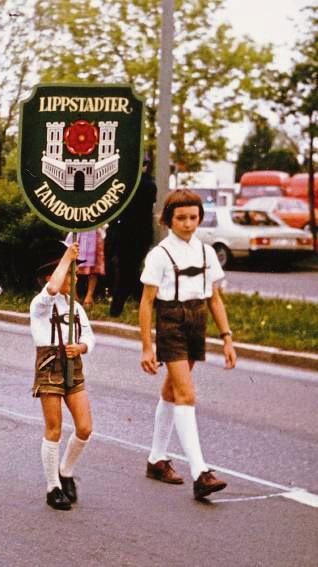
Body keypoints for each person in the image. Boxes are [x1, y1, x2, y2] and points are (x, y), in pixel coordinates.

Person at [139, 189, 237, 500]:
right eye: (180, 218)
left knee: (172, 390)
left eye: (193, 217)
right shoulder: (159, 255)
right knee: (186, 393)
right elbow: (146, 303)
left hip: (197, 321)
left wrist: (227, 338)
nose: (188, 224)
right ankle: (200, 472)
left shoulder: (207, 253)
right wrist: (146, 346)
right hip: (170, 322)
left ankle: (156, 459)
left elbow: (214, 298)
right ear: (168, 219)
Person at [30, 241, 95, 510]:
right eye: (70, 271)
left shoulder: (75, 307)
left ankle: (66, 471)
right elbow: (54, 288)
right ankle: (52, 486)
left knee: (85, 427)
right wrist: (67, 256)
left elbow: (89, 336)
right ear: (51, 275)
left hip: (73, 364)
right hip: (49, 365)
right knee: (54, 428)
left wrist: (81, 346)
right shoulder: (40, 304)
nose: (74, 276)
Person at [106, 158, 157, 316]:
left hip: (124, 232)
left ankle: (117, 308)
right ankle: (144, 300)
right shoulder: (149, 184)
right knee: (131, 270)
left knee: (126, 270)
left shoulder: (123, 183)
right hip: (142, 233)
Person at [65, 229, 105, 309]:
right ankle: (74, 296)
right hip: (77, 231)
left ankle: (89, 297)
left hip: (93, 233)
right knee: (73, 264)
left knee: (94, 267)